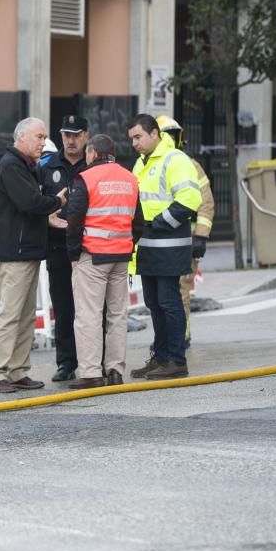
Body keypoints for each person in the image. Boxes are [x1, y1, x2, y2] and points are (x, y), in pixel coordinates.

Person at [0, 117, 67, 394]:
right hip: (14, 254)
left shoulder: (23, 165)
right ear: (21, 137)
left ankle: (18, 371)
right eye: (39, 137)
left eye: (45, 137)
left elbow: (25, 210)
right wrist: (58, 202)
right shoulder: (12, 166)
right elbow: (29, 203)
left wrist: (47, 218)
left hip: (26, 251)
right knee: (10, 316)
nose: (43, 142)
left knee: (25, 316)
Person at [64, 134, 144, 389]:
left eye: (87, 153)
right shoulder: (130, 178)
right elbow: (138, 221)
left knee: (89, 315)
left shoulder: (86, 178)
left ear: (93, 153)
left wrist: (74, 253)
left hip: (93, 256)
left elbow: (74, 220)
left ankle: (90, 372)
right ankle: (115, 371)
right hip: (121, 256)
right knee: (118, 315)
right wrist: (127, 243)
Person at [126, 114, 202, 380]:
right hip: (148, 248)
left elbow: (190, 199)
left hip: (168, 246)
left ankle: (177, 360)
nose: (134, 143)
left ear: (155, 134)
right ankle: (160, 357)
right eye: (131, 139)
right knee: (155, 304)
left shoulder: (175, 159)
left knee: (169, 303)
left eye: (138, 137)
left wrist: (158, 224)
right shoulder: (140, 163)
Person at [37, 115, 90, 382]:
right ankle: (66, 362)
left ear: (86, 136)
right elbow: (38, 201)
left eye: (76, 134)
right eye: (66, 134)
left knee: (90, 309)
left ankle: (93, 361)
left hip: (88, 248)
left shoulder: (94, 165)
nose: (70, 140)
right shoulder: (47, 166)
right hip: (57, 247)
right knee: (63, 307)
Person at [156, 115, 215, 347]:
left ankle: (181, 336)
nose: (170, 140)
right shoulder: (151, 165)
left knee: (180, 288)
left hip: (185, 238)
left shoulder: (190, 165)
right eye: (166, 135)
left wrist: (200, 235)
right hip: (160, 239)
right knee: (162, 293)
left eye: (173, 135)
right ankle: (168, 337)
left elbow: (206, 202)